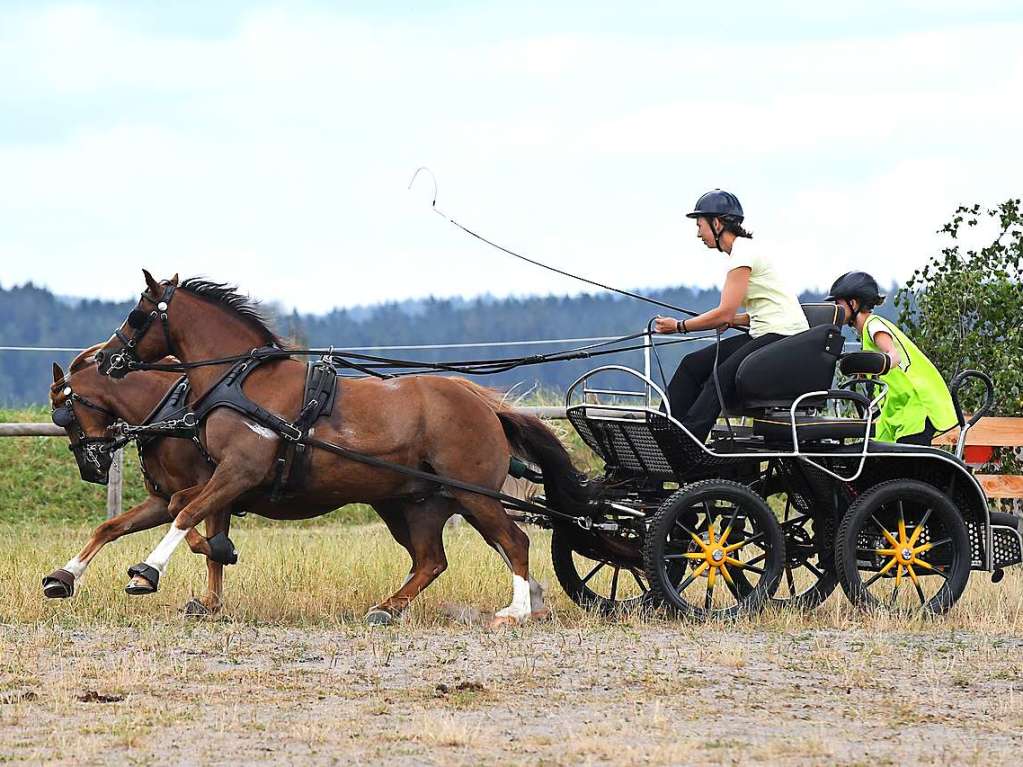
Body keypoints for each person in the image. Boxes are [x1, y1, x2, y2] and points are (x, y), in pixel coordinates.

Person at [653, 190, 809, 442]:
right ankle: (660, 434)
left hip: (784, 337)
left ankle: (688, 445)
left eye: (699, 225)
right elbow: (758, 309)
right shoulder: (743, 253)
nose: (697, 233)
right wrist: (734, 320)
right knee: (692, 365)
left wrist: (679, 326)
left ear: (717, 223)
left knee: (720, 375)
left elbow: (725, 312)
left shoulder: (743, 255)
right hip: (767, 331)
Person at [826, 271, 956, 445]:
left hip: (916, 407)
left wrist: (879, 363)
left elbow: (893, 356)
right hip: (898, 411)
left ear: (853, 303)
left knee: (905, 466)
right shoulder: (866, 333)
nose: (835, 308)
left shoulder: (874, 325)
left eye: (838, 303)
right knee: (875, 454)